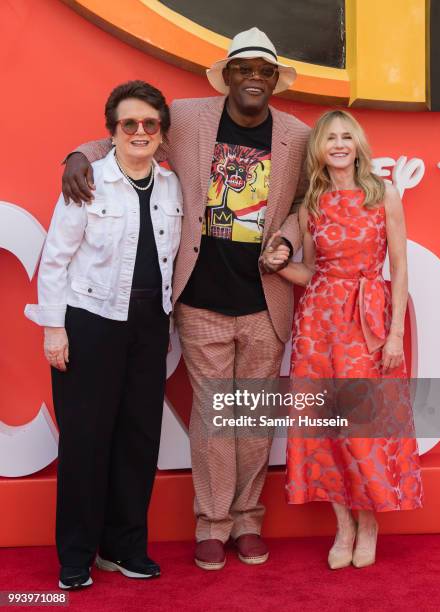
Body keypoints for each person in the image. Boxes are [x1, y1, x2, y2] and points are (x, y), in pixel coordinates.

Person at [61, 28, 310, 570]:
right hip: (200, 300)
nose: (253, 78)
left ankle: (247, 520)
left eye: (263, 70)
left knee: (253, 419)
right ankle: (212, 524)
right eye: (242, 68)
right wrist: (76, 156)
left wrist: (289, 237)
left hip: (267, 302)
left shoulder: (296, 134)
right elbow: (127, 138)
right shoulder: (191, 117)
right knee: (217, 417)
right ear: (227, 75)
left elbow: (303, 201)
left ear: (273, 80)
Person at [25, 81, 182, 589]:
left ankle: (124, 547)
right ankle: (76, 555)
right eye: (128, 124)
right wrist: (54, 329)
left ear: (162, 131)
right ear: (112, 131)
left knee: (139, 439)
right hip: (89, 320)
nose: (140, 132)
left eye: (150, 124)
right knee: (86, 441)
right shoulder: (86, 179)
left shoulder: (172, 185)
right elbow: (55, 259)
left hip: (149, 325)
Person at [263, 109, 423, 569]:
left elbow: (400, 268)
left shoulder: (384, 193)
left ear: (357, 145)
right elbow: (310, 272)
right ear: (319, 147)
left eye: (345, 136)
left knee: (361, 427)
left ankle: (369, 523)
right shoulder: (312, 203)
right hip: (317, 324)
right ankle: (344, 526)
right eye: (329, 137)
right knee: (323, 428)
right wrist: (277, 266)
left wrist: (394, 333)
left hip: (367, 322)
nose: (337, 144)